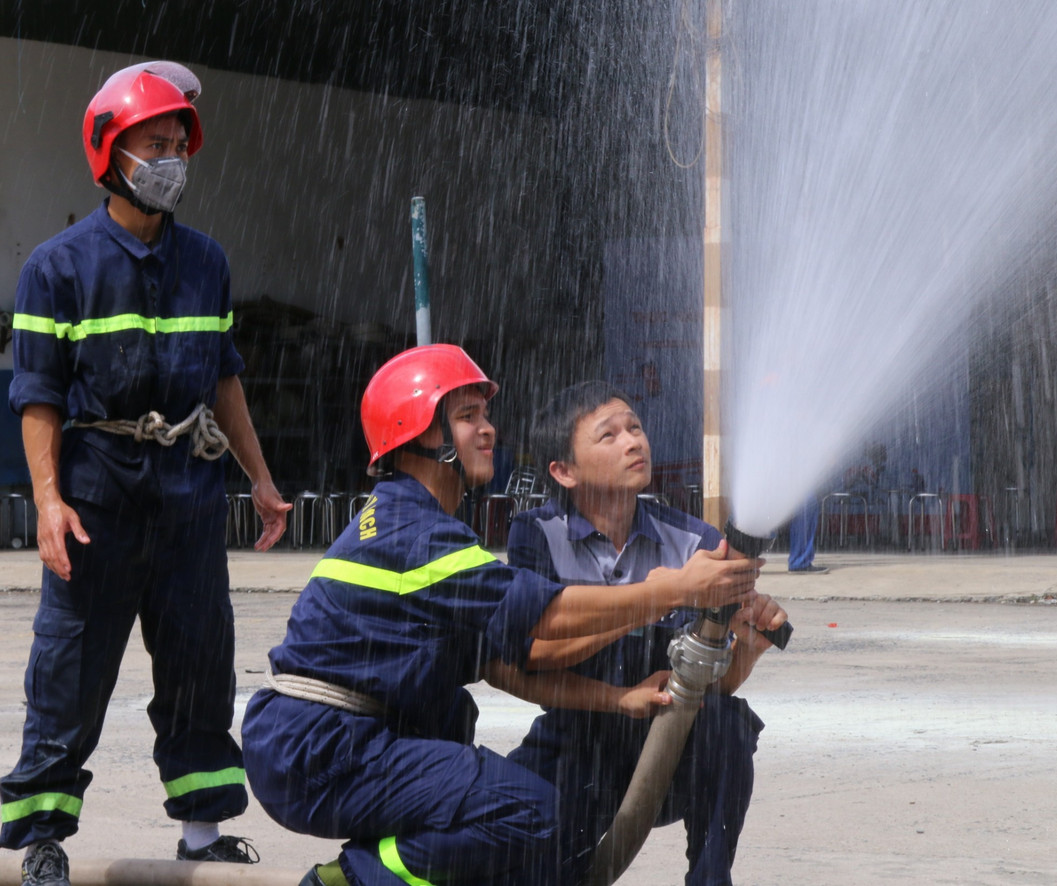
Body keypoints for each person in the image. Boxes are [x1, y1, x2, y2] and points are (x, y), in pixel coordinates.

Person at [241, 346, 763, 886]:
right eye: (467, 418)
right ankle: (349, 880)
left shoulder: (414, 520)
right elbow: (543, 623)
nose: (487, 430)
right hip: (324, 743)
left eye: (484, 416)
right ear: (420, 434)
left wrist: (623, 695)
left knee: (509, 812)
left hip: (329, 741)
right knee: (525, 811)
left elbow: (500, 664)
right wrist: (668, 590)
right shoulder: (416, 534)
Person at [0, 61, 291, 886]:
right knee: (70, 672)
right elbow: (37, 398)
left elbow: (224, 378)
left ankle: (202, 831)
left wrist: (260, 479)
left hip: (189, 502)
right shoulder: (56, 269)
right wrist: (48, 502)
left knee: (201, 665)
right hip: (97, 501)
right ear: (110, 154)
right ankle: (42, 839)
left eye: (178, 146)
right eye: (153, 145)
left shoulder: (207, 263)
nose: (170, 160)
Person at [507, 381, 788, 886]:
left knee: (726, 723)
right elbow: (533, 656)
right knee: (515, 840)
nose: (633, 442)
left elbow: (714, 684)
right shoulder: (537, 535)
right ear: (563, 471)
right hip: (580, 737)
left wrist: (748, 645)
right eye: (608, 435)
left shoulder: (695, 541)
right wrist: (663, 597)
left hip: (670, 740)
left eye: (635, 427)